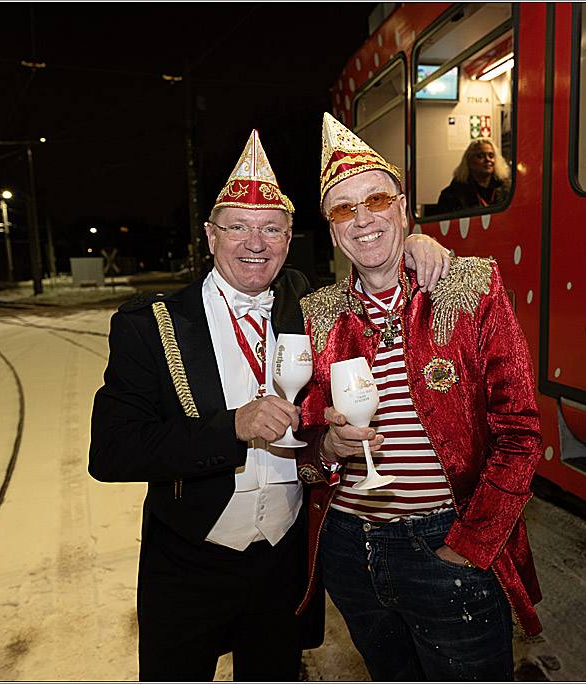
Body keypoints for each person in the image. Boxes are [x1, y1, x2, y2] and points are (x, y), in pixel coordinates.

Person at [88, 128, 451, 681]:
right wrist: (230, 427)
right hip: (189, 560)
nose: (255, 244)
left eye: (271, 229)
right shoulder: (151, 325)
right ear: (210, 236)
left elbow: (374, 267)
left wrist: (416, 246)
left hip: (285, 561)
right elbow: (111, 451)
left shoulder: (311, 303)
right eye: (238, 227)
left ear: (288, 239)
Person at [291, 113, 543, 681]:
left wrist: (471, 543)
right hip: (350, 549)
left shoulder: (469, 288)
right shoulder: (318, 316)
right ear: (332, 231)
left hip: (445, 543)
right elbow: (303, 441)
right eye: (343, 209)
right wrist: (326, 446)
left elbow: (520, 431)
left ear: (403, 210)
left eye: (376, 200)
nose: (363, 219)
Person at [434, 137, 511, 213]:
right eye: (480, 156)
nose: (488, 159)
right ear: (469, 161)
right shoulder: (451, 195)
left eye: (491, 156)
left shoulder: (507, 190)